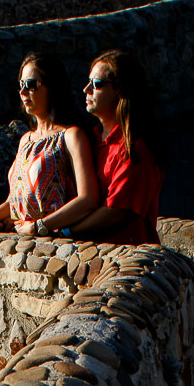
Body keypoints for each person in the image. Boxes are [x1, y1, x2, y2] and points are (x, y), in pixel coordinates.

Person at [0, 53, 99, 237]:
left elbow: (88, 199)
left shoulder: (71, 136)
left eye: (30, 85)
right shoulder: (26, 140)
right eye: (21, 85)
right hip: (21, 241)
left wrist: (40, 226)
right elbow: (18, 199)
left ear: (51, 86)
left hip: (54, 245)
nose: (23, 91)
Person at [68, 49, 163, 245]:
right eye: (88, 82)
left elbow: (117, 212)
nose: (87, 89)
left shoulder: (135, 148)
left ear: (120, 90)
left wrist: (66, 231)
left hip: (129, 258)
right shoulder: (90, 139)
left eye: (97, 84)